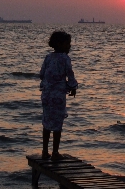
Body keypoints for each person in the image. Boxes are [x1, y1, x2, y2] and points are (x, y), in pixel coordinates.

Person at [39, 31, 78, 160]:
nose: (69, 46)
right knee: (57, 124)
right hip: (58, 96)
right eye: (67, 44)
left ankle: (45, 151)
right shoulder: (65, 58)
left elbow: (42, 74)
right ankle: (55, 153)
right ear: (60, 44)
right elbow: (70, 74)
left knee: (46, 122)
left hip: (46, 95)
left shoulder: (48, 57)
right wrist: (72, 87)